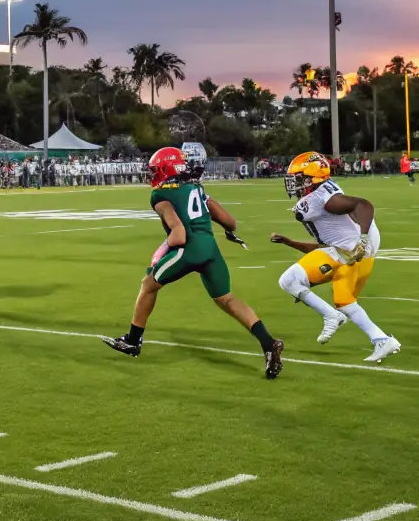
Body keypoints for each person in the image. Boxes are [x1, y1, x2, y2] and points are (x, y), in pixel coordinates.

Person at [101, 147, 284, 379]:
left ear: (167, 169)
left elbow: (179, 236)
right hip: (210, 249)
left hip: (189, 249)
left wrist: (161, 250)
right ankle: (269, 343)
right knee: (227, 299)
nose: (152, 175)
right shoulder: (197, 188)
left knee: (148, 285)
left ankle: (133, 340)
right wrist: (226, 231)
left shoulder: (160, 195)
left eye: (156, 170)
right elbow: (231, 222)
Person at [270, 151, 400, 363]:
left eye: (299, 178)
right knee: (345, 302)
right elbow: (323, 247)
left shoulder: (324, 198)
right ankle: (382, 339)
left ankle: (331, 316)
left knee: (289, 280)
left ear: (314, 176)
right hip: (353, 255)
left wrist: (363, 239)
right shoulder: (322, 195)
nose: (294, 183)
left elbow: (364, 205)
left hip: (350, 253)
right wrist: (290, 243)